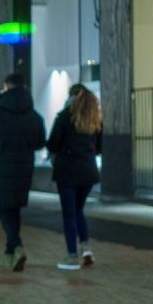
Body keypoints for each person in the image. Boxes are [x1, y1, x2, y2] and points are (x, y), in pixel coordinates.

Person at [0, 73, 45, 271]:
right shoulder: (34, 115)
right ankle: (9, 251)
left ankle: (16, 245)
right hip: (24, 168)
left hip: (1, 167)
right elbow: (40, 142)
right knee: (13, 208)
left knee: (5, 208)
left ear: (6, 87)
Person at [47, 86, 102, 270]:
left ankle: (72, 256)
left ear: (72, 97)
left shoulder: (64, 116)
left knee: (69, 213)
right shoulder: (94, 119)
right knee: (78, 210)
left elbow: (53, 143)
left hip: (67, 171)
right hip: (88, 171)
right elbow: (100, 147)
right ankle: (85, 247)